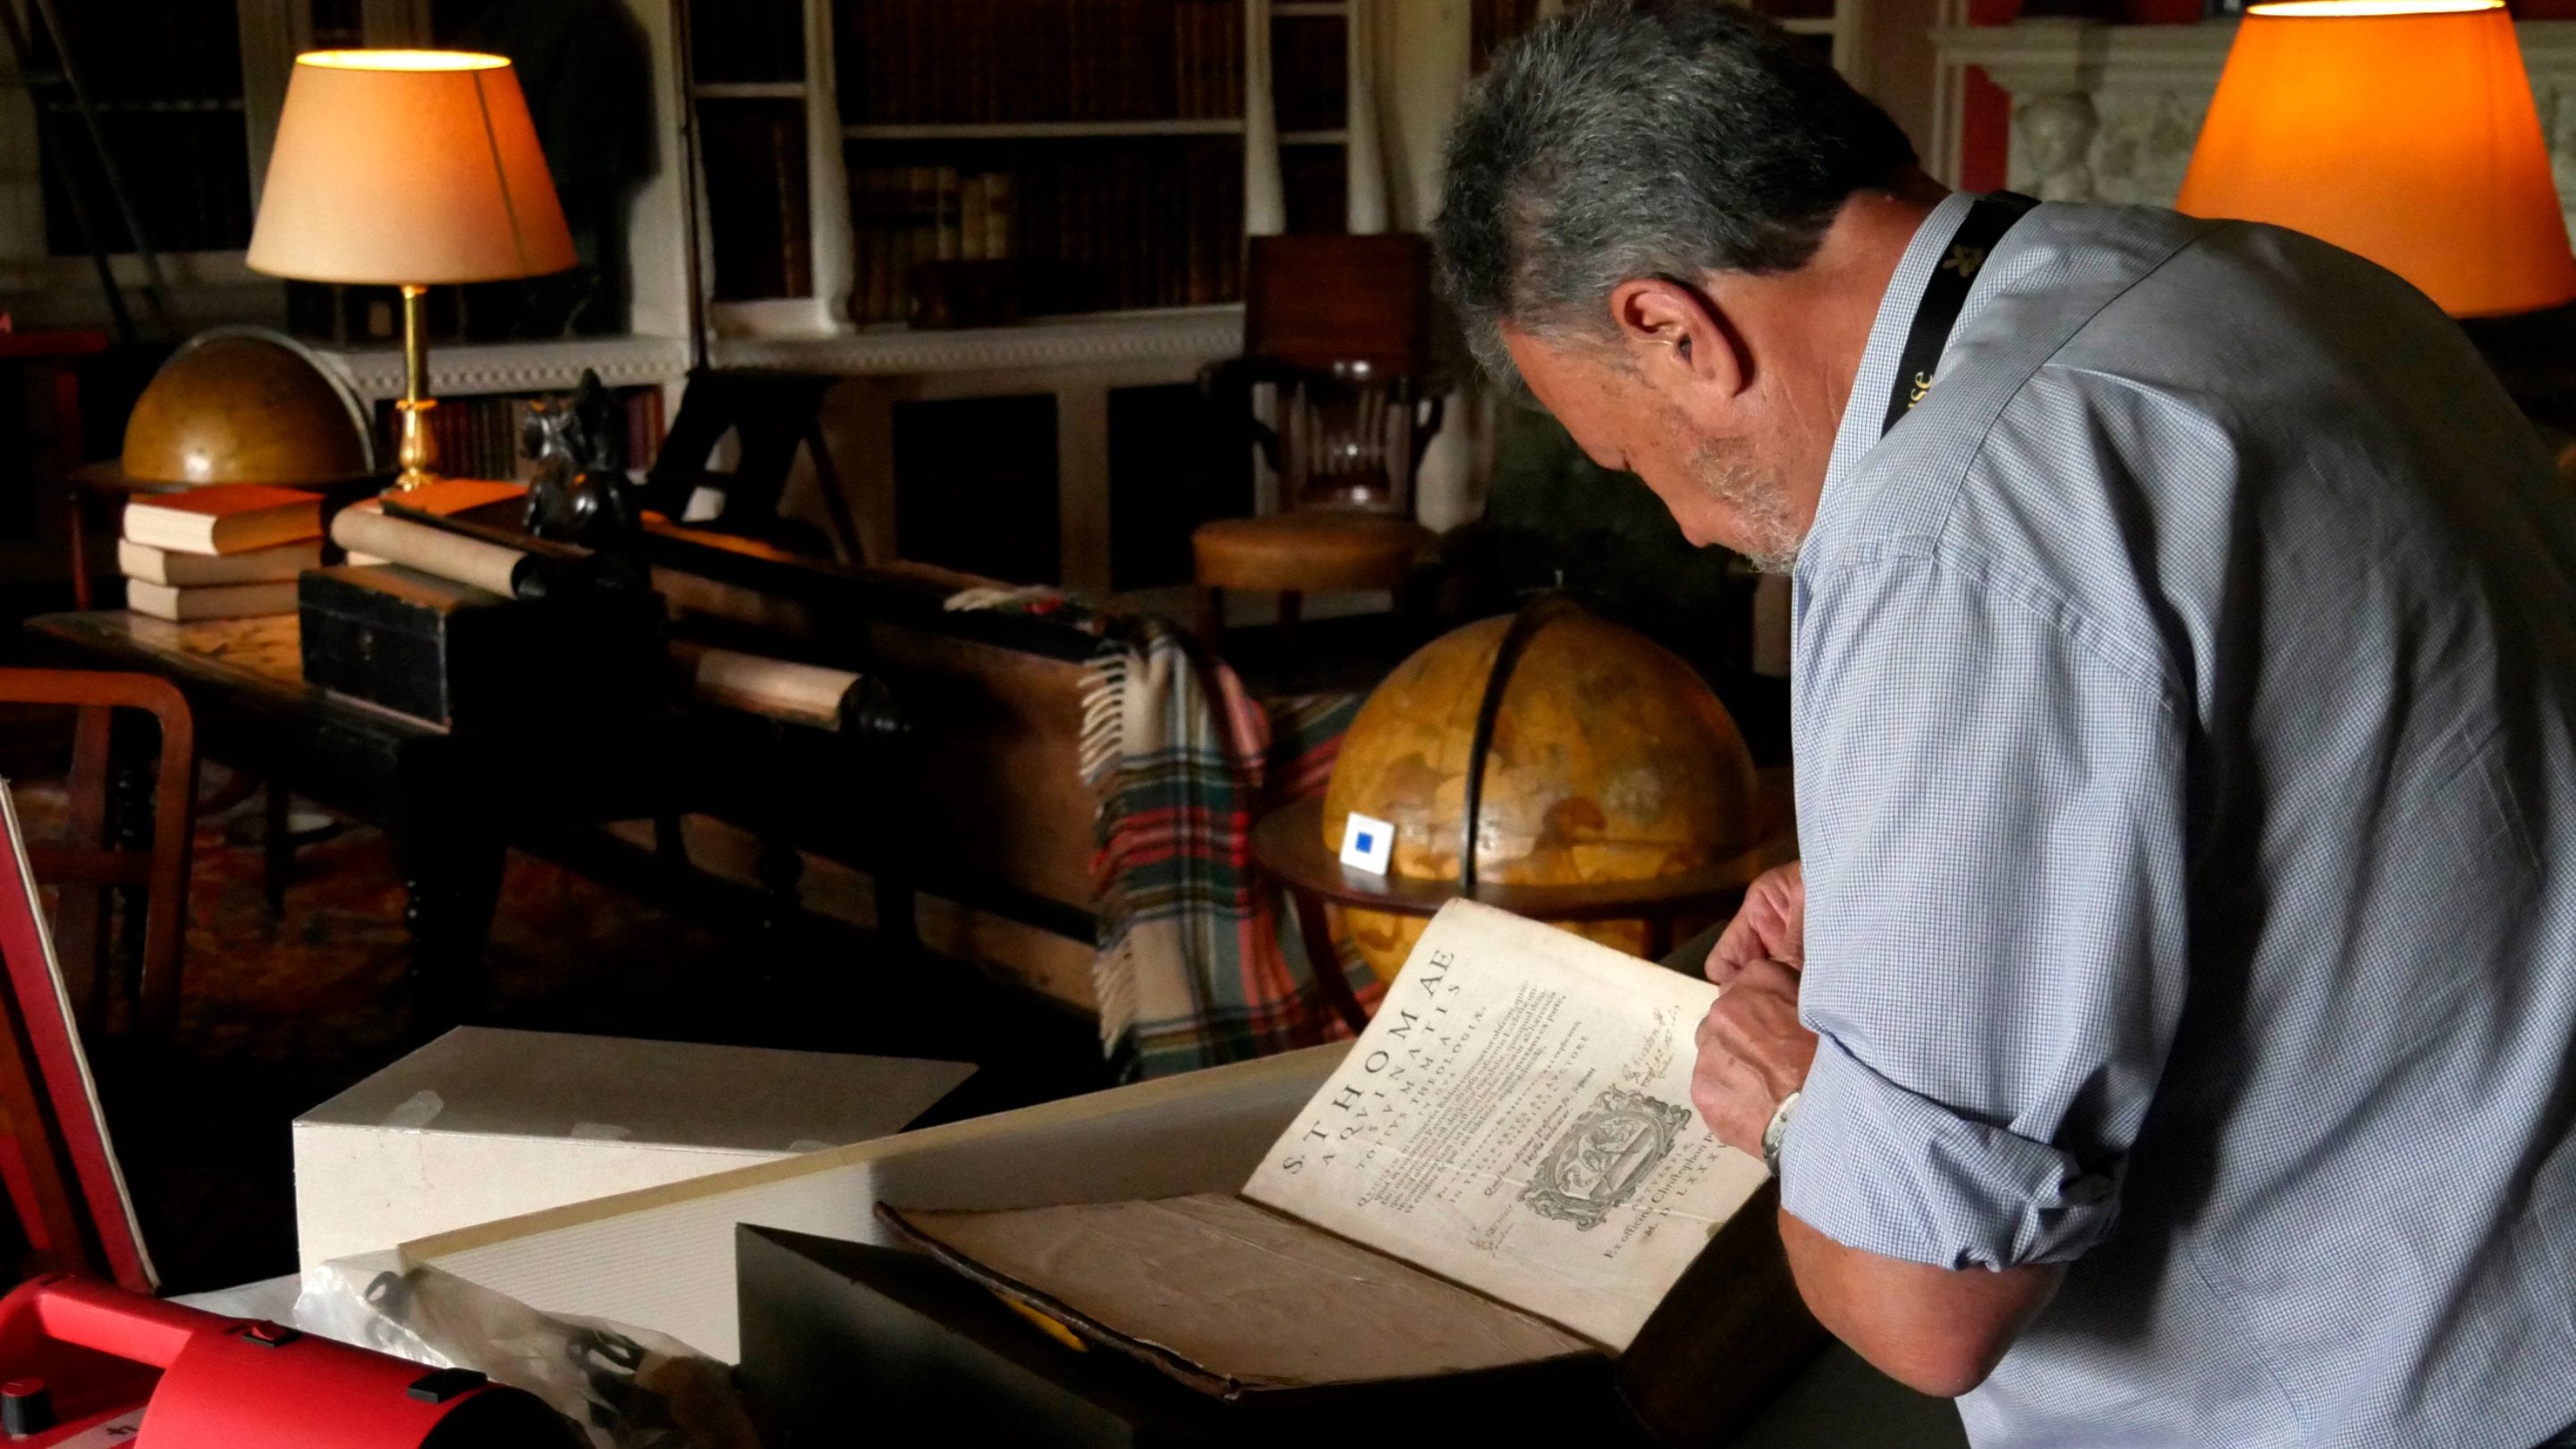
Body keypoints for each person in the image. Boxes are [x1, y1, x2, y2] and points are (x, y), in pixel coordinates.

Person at [1431, 4, 2576, 1445]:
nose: (1692, 521)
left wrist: (1799, 1098)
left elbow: (1925, 1308)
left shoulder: (1948, 526)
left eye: (1629, 451)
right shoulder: (2294, 282)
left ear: (1670, 328)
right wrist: (1892, 910)